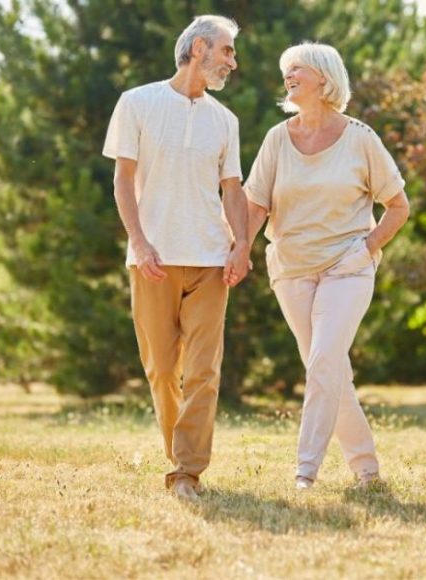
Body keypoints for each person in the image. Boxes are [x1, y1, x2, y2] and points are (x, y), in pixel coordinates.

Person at [244, 42, 411, 490]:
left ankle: (305, 472)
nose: (288, 75)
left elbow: (398, 206)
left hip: (347, 268)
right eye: (286, 70)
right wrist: (238, 248)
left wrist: (368, 248)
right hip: (292, 269)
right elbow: (255, 204)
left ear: (324, 78)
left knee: (322, 363)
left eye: (297, 68)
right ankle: (367, 470)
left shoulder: (360, 137)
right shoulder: (278, 139)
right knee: (330, 370)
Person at [102, 15, 250, 501]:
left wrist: (242, 244)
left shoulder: (225, 120)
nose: (232, 61)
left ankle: (187, 470)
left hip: (210, 259)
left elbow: (233, 190)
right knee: (162, 369)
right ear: (200, 48)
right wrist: (140, 243)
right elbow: (123, 181)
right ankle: (177, 453)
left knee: (204, 371)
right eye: (227, 51)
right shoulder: (137, 103)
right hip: (153, 260)